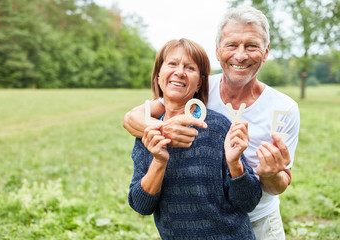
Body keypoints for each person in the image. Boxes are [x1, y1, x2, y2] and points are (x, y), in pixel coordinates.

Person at [123, 6, 300, 240]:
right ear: (217, 51)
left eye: (251, 46)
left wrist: (268, 174)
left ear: (265, 52)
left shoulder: (284, 108)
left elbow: (280, 183)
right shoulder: (195, 92)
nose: (240, 55)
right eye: (231, 45)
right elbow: (133, 117)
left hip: (260, 219)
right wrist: (162, 134)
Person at [128, 38, 262, 239]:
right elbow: (141, 205)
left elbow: (249, 201)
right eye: (172, 64)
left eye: (189, 68)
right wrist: (159, 161)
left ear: (199, 82)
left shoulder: (217, 126)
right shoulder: (148, 131)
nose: (179, 72)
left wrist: (235, 164)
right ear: (158, 76)